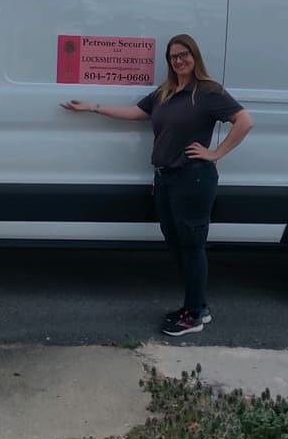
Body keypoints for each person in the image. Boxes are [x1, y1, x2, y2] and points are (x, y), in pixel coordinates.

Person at [60, 34, 254, 336]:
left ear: (194, 56)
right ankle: (198, 306)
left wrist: (216, 153)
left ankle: (193, 316)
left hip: (193, 178)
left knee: (192, 246)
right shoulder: (165, 92)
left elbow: (244, 121)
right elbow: (136, 113)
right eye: (173, 56)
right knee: (176, 243)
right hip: (165, 178)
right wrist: (93, 107)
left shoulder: (207, 91)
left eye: (184, 54)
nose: (179, 60)